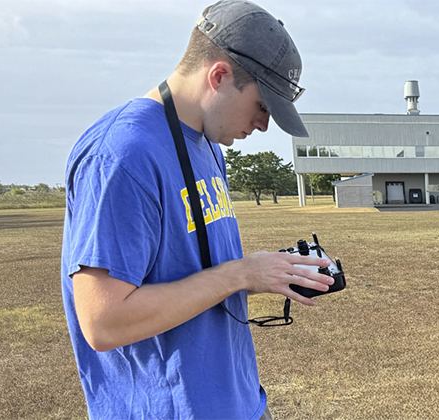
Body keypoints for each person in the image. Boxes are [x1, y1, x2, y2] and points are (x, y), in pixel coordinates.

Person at [60, 1, 333, 419]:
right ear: (219, 76)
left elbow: (194, 271)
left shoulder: (208, 145)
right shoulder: (122, 154)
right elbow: (103, 323)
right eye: (263, 106)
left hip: (238, 403)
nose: (264, 125)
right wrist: (240, 273)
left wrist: (268, 272)